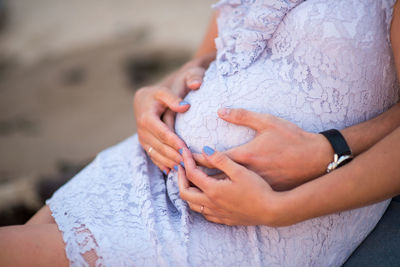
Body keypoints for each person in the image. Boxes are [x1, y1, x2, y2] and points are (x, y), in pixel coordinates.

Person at [0, 0, 399, 266]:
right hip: (151, 163)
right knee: (25, 238)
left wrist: (322, 159)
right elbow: (210, 56)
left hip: (268, 216)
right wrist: (155, 96)